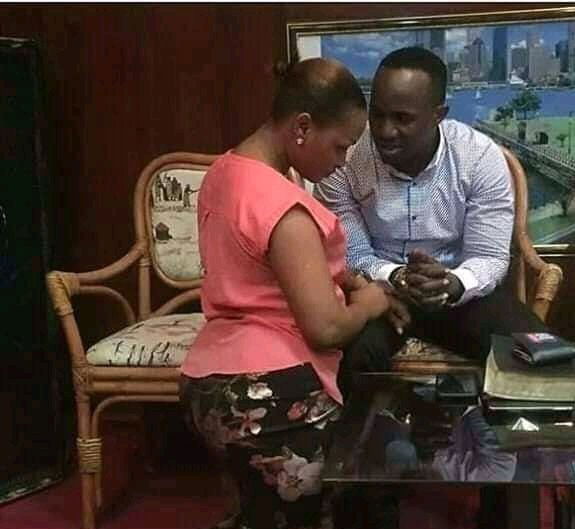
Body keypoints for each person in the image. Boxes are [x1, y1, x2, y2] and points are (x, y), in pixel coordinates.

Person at [179, 58, 408, 529]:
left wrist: (350, 280)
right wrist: (372, 302)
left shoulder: (226, 171)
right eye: (341, 146)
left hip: (207, 382)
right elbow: (326, 328)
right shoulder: (285, 207)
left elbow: (263, 266)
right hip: (271, 395)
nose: (342, 161)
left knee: (260, 513)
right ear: (302, 127)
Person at [315, 46, 548, 377]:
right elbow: (351, 252)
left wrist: (451, 283)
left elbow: (489, 257)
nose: (384, 130)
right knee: (348, 360)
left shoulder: (479, 158)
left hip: (462, 296)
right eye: (377, 114)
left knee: (540, 357)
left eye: (402, 118)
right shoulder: (345, 158)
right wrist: (396, 276)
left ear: (439, 114)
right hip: (381, 296)